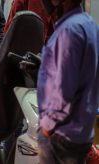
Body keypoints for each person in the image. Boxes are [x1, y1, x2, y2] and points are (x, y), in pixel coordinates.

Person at [37, 0, 99, 163]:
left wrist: (46, 127)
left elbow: (63, 91)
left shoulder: (68, 32)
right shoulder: (89, 24)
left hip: (62, 135)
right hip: (82, 132)